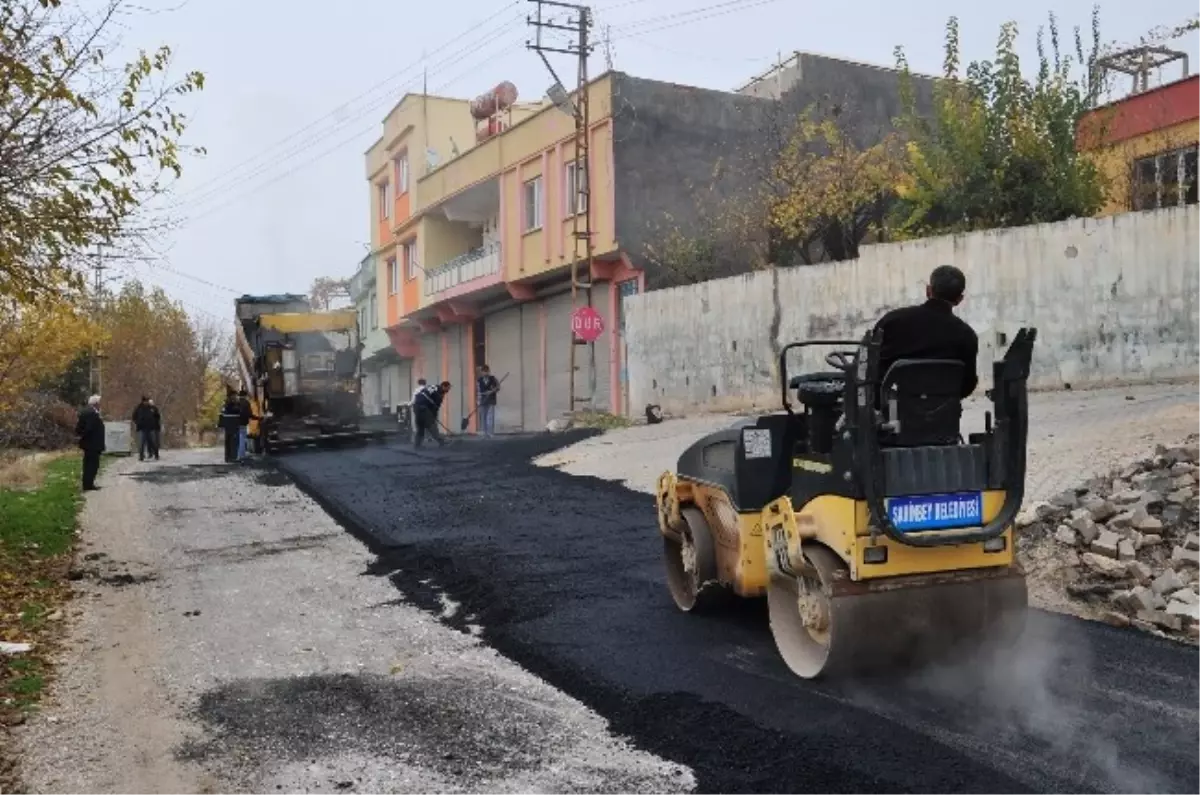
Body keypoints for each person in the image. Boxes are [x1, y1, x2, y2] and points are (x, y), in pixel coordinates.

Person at [872, 264, 979, 399]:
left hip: (890, 411)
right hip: (942, 413)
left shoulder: (891, 321)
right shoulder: (967, 335)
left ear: (928, 291)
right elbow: (968, 384)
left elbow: (869, 367)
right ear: (959, 299)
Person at [75, 395, 106, 491]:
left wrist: (81, 437)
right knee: (92, 465)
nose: (100, 404)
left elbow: (78, 428)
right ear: (96, 403)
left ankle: (87, 483)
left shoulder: (85, 412)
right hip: (92, 443)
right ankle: (88, 484)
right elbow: (89, 428)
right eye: (99, 402)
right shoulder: (92, 413)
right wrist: (84, 437)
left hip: (89, 443)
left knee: (88, 464)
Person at [412, 381, 451, 448]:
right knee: (432, 426)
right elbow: (435, 407)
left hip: (416, 407)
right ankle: (441, 442)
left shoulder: (433, 386)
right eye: (448, 388)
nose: (448, 390)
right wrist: (433, 416)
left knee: (420, 426)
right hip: (424, 408)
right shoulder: (439, 393)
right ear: (443, 386)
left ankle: (417, 445)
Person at [475, 364, 500, 438]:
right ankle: (485, 433)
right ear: (482, 372)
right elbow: (478, 391)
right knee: (483, 417)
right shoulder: (479, 380)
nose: (485, 373)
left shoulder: (493, 379)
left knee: (490, 417)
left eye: (486, 371)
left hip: (491, 400)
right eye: (484, 372)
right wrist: (478, 401)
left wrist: (492, 391)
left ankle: (490, 433)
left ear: (489, 371)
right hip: (483, 400)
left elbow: (498, 387)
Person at [236, 390, 259, 461]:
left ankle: (238, 455)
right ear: (245, 396)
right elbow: (249, 414)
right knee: (242, 440)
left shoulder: (236, 403)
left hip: (236, 424)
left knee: (238, 440)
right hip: (243, 423)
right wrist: (258, 418)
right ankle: (242, 455)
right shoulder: (246, 403)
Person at [218, 392, 242, 463]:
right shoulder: (234, 405)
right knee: (233, 442)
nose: (236, 397)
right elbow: (237, 412)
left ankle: (227, 457)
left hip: (227, 426)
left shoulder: (225, 405)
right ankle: (232, 457)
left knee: (228, 442)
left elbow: (221, 415)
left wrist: (221, 425)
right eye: (235, 396)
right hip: (233, 425)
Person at [132, 396, 155, 461]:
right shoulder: (139, 408)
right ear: (143, 401)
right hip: (141, 427)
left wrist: (152, 424)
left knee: (150, 441)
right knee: (142, 442)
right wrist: (137, 422)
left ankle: (150, 453)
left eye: (147, 401)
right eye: (146, 401)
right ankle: (141, 456)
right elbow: (134, 416)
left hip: (149, 427)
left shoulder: (150, 408)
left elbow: (153, 416)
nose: (147, 403)